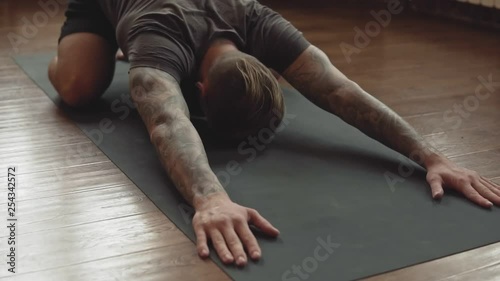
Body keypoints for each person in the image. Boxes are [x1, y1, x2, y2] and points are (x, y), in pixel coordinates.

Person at [49, 0, 500, 267]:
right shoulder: (157, 35)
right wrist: (210, 198)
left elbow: (338, 87)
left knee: (154, 70)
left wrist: (432, 156)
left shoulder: (258, 19)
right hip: (122, 11)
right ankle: (102, 42)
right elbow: (168, 121)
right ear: (199, 92)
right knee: (78, 88)